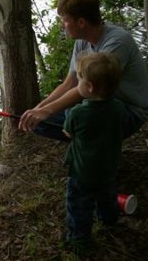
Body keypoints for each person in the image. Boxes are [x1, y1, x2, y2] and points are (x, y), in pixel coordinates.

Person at [18, 0, 148, 140]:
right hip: (101, 102)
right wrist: (39, 108)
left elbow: (85, 89)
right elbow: (70, 83)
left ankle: (96, 151)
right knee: (41, 123)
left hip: (129, 110)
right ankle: (89, 145)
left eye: (65, 20)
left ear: (81, 22)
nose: (62, 25)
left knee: (72, 117)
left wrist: (47, 111)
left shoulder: (117, 42)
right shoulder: (82, 42)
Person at [62, 52, 125, 246]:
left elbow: (68, 133)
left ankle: (79, 239)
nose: (77, 82)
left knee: (79, 205)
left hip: (82, 174)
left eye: (79, 78)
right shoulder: (119, 108)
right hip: (108, 170)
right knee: (107, 198)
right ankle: (110, 221)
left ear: (89, 87)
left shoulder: (78, 112)